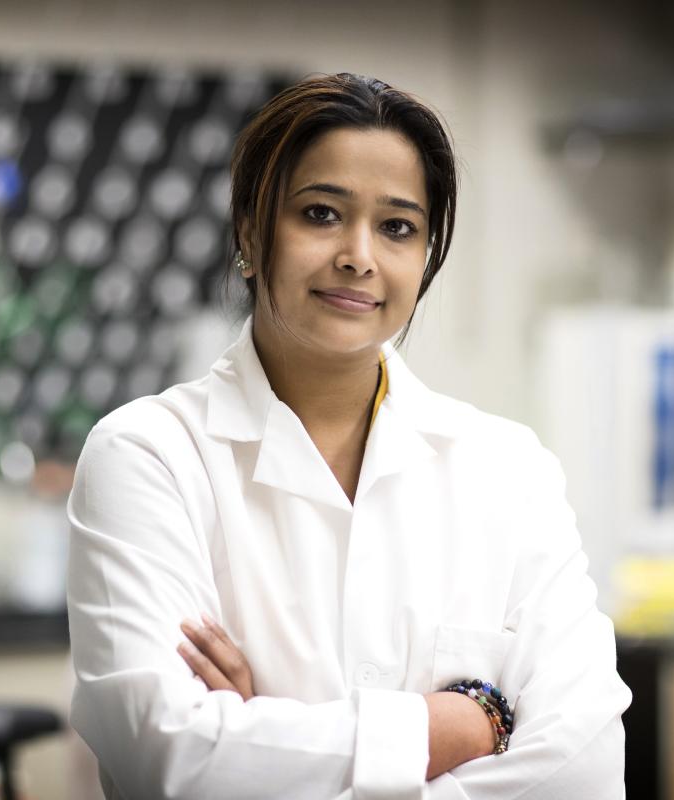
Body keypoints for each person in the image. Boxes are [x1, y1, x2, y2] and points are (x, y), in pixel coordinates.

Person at [66, 72, 631, 800]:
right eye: (321, 213)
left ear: (425, 255)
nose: (359, 255)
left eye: (398, 226)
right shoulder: (148, 457)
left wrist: (264, 730)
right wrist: (463, 725)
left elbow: (585, 772)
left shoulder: (509, 470)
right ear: (250, 230)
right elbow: (168, 755)